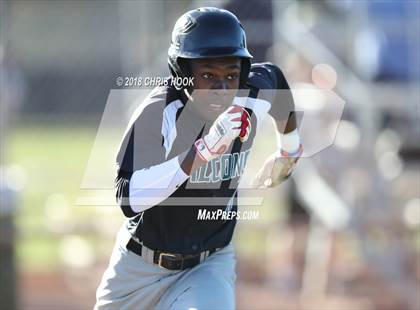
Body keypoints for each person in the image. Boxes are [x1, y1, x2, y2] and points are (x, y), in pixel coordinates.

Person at [95, 7, 302, 310]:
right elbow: (127, 198)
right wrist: (201, 153)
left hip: (207, 265)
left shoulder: (249, 96)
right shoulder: (157, 113)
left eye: (231, 75)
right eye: (208, 75)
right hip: (139, 267)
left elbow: (276, 80)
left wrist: (289, 150)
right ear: (182, 73)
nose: (221, 88)